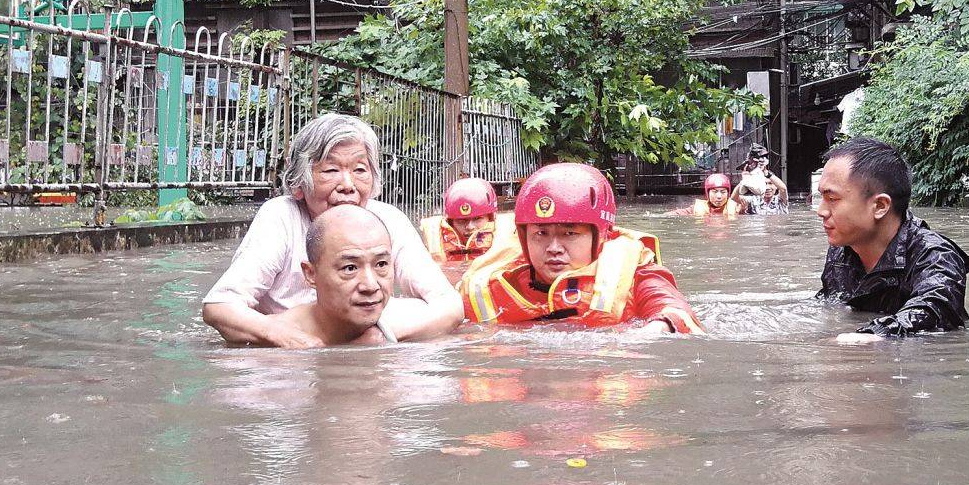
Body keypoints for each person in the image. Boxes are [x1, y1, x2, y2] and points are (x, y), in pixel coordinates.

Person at [201, 113, 463, 346]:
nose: (348, 185)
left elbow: (449, 306)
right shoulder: (281, 216)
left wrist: (379, 335)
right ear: (299, 184)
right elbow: (221, 307)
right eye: (331, 170)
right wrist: (291, 338)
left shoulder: (387, 219)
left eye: (360, 169)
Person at [461, 162, 704, 334]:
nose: (553, 248)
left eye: (570, 233)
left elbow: (672, 307)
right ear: (523, 237)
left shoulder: (635, 275)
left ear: (601, 236)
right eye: (540, 234)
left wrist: (656, 329)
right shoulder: (496, 282)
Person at [814, 136, 969, 342]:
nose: (820, 211)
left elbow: (933, 310)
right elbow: (830, 303)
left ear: (880, 206)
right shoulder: (842, 250)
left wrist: (860, 339)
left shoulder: (935, 256)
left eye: (832, 199)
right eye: (821, 197)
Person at [245, 204, 398, 348]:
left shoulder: (411, 323)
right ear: (310, 274)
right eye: (350, 268)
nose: (371, 286)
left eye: (381, 264)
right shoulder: (272, 346)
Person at [419, 176, 515, 278]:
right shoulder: (429, 241)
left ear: (491, 218)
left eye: (477, 219)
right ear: (450, 222)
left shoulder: (510, 238)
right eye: (461, 221)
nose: (470, 227)